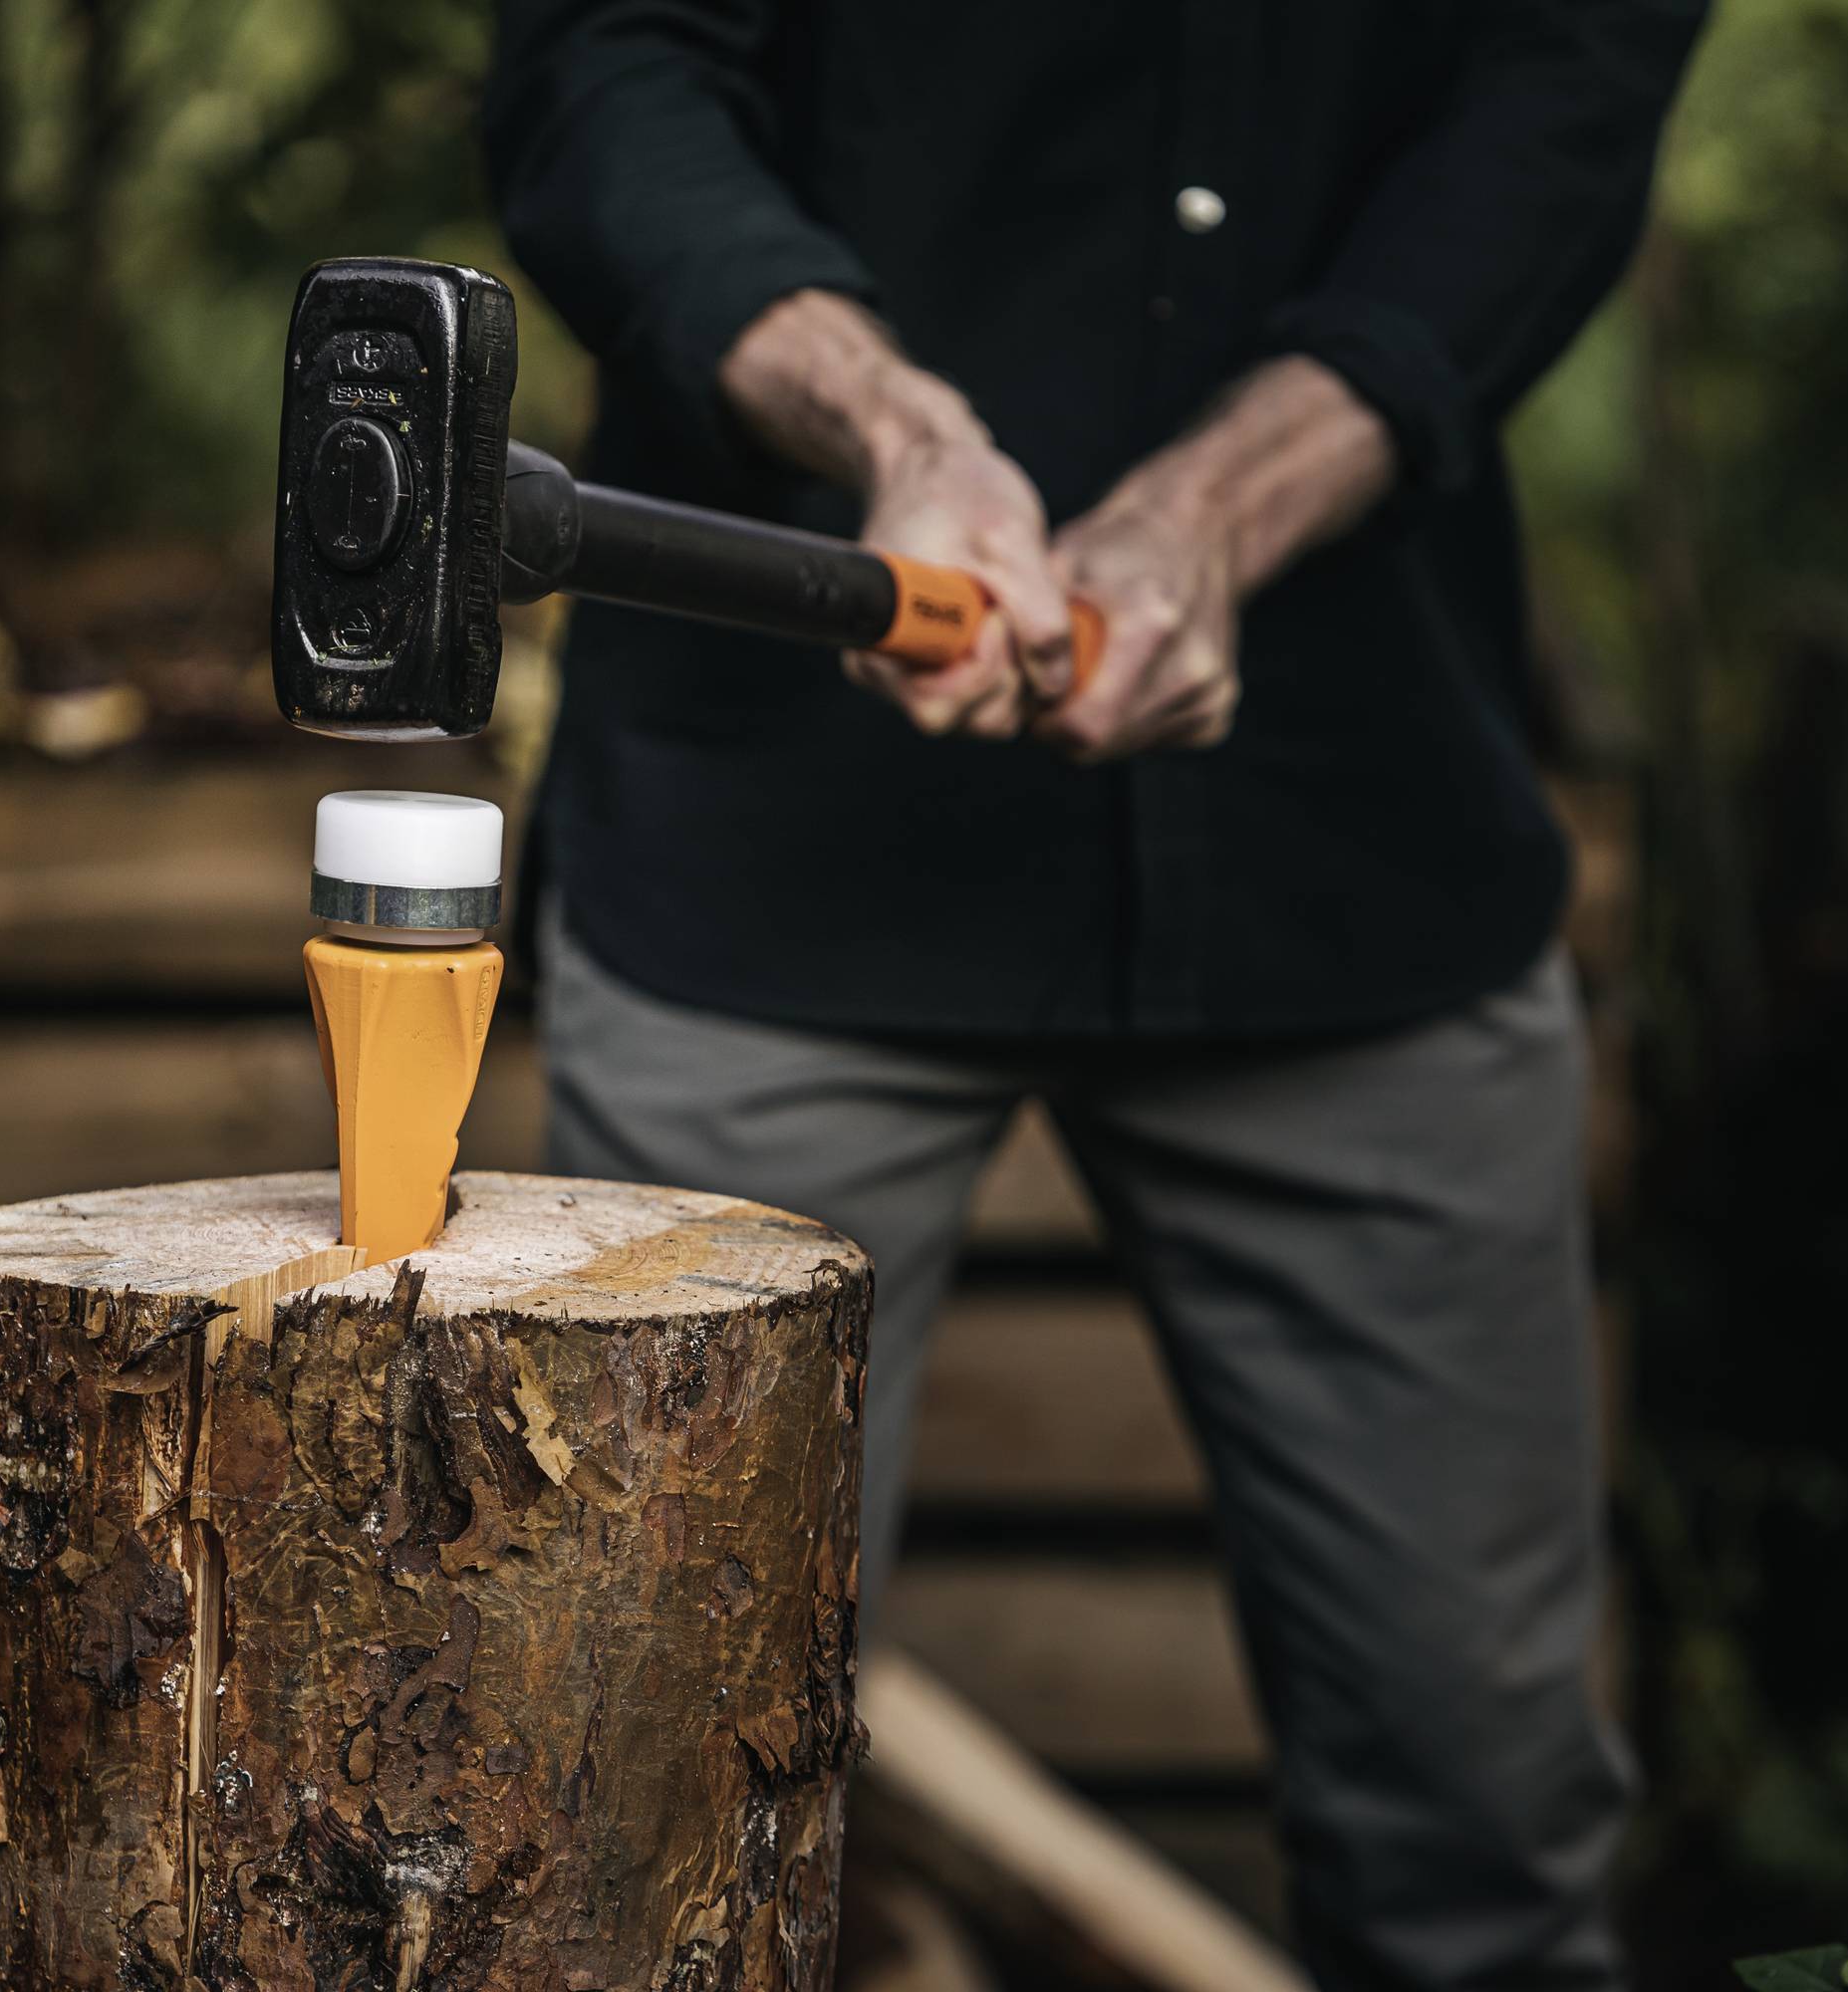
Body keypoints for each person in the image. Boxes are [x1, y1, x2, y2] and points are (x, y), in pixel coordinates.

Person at [483, 3, 1707, 1985]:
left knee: (1485, 1837)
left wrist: (1226, 502)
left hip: (1358, 860)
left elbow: (1566, 91)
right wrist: (901, 428)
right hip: (774, 857)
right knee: (638, 1824)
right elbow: (608, 61)